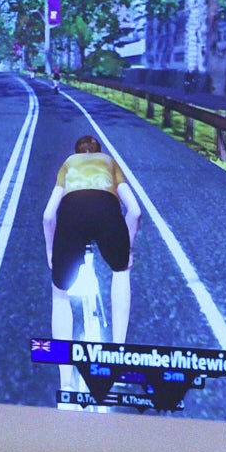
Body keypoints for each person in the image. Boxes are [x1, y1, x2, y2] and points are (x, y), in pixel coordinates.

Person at [42, 135, 142, 379]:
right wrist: (126, 250)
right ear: (99, 150)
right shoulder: (109, 162)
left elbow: (48, 216)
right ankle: (118, 354)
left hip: (72, 216)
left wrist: (51, 252)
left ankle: (65, 377)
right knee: (120, 272)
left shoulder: (68, 163)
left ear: (77, 151)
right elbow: (135, 211)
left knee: (60, 293)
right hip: (107, 213)